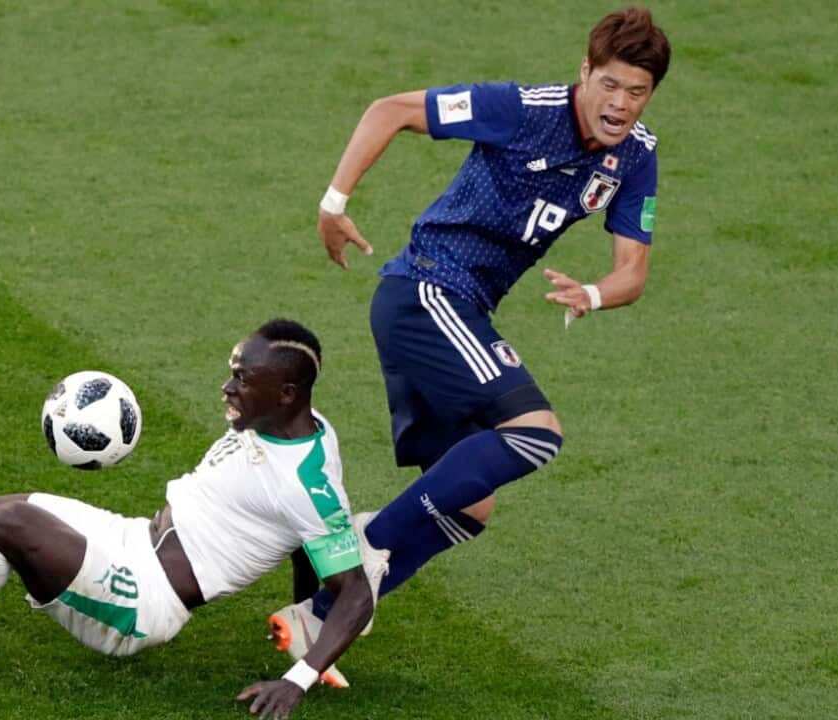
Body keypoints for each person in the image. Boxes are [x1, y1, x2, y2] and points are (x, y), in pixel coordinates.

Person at [269, 6, 671, 677]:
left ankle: (314, 617)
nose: (620, 104)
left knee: (470, 504)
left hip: (456, 312)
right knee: (535, 433)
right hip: (426, 292)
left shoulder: (636, 158)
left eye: (636, 92)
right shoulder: (520, 109)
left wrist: (594, 293)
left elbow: (633, 271)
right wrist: (334, 203)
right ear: (585, 72)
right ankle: (365, 546)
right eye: (609, 84)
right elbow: (389, 109)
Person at [0, 319, 376, 719]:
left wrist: (299, 677)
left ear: (289, 392)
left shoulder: (308, 483)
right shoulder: (278, 419)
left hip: (144, 602)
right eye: (233, 370)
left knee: (8, 525)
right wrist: (304, 620)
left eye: (243, 379)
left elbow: (355, 592)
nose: (228, 387)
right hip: (132, 539)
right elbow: (306, 547)